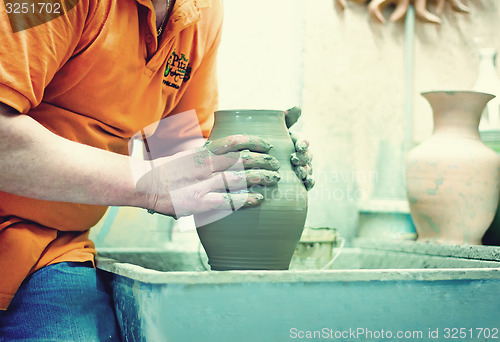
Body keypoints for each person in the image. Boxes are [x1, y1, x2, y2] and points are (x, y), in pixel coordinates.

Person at [0, 0, 313, 340]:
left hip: (49, 250)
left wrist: (255, 161)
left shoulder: (199, 11)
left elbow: (176, 152)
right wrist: (149, 183)